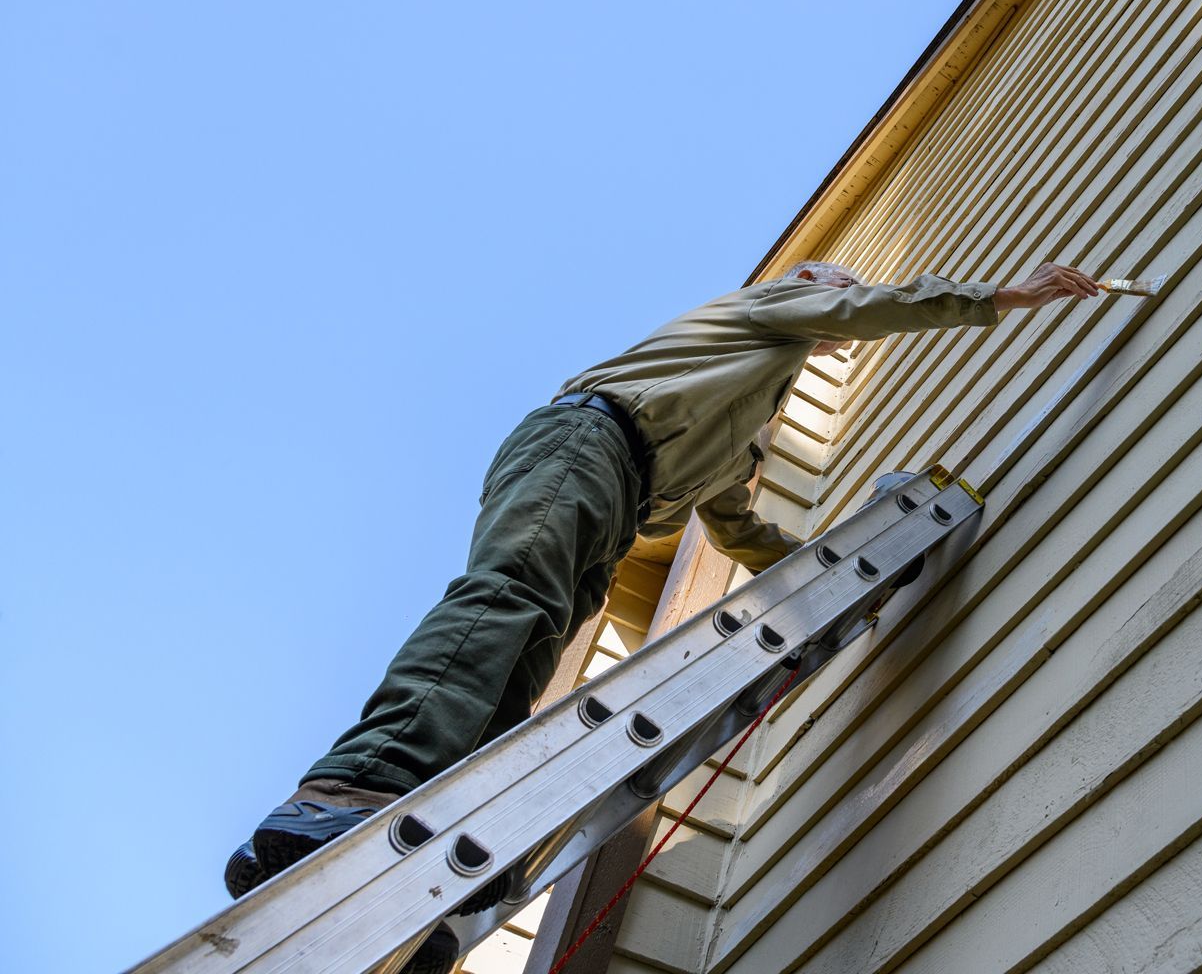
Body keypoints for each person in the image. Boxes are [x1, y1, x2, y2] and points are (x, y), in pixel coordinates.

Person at [223, 260, 1099, 928]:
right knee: (511, 597)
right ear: (802, 289)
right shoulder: (763, 314)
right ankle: (345, 792)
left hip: (620, 487)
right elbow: (855, 309)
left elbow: (737, 530)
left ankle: (432, 820)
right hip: (588, 442)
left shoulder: (743, 419)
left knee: (531, 647)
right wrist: (1003, 298)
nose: (842, 314)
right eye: (836, 292)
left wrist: (828, 583)